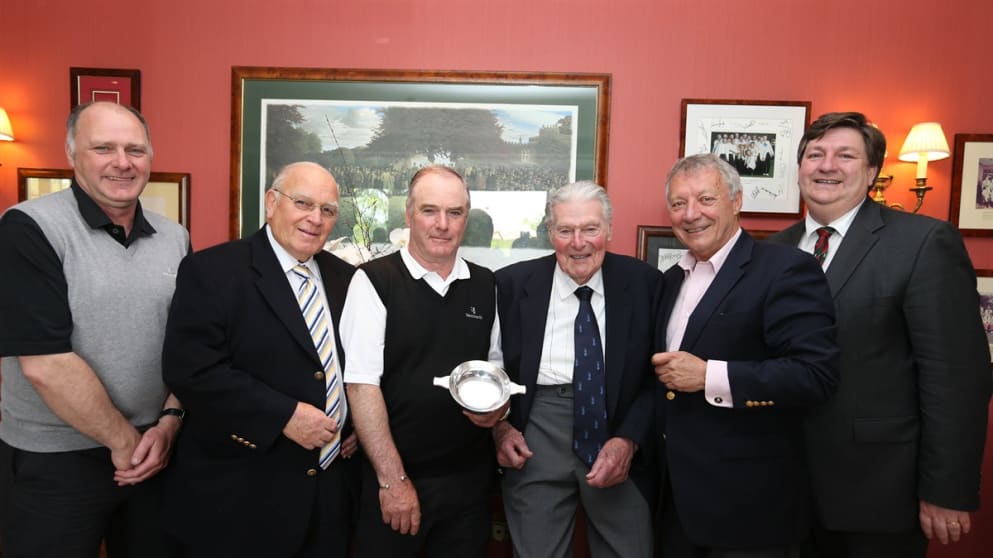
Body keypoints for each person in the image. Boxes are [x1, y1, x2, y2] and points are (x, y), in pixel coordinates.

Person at [769, 112, 992, 558]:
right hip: (782, 487)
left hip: (879, 490)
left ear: (872, 172)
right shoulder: (772, 250)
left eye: (845, 155)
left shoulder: (923, 242)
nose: (826, 165)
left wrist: (947, 487)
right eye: (815, 154)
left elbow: (956, 377)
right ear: (800, 168)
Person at [0, 101, 189, 558]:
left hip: (154, 453)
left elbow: (189, 343)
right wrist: (125, 443)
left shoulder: (174, 236)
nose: (122, 162)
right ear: (72, 154)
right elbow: (46, 364)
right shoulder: (28, 228)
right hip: (55, 463)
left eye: (135, 149)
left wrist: (169, 424)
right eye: (103, 148)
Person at [159, 162, 358, 557]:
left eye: (328, 210)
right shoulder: (213, 270)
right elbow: (191, 370)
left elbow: (354, 366)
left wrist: (355, 424)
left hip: (329, 496)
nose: (315, 219)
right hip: (243, 498)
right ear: (271, 203)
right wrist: (283, 415)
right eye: (302, 203)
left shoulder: (347, 279)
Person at [653, 153, 840, 557]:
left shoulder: (786, 269)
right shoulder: (669, 281)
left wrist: (709, 377)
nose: (691, 214)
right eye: (678, 203)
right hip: (675, 506)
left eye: (706, 199)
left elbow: (814, 375)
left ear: (736, 201)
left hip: (750, 510)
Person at [341, 165, 506, 558]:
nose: (443, 225)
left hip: (468, 487)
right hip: (397, 482)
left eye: (455, 212)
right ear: (409, 215)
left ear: (467, 217)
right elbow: (361, 385)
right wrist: (392, 481)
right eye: (430, 211)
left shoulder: (486, 284)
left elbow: (495, 372)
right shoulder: (374, 281)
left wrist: (498, 413)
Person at [491, 181, 663, 558]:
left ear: (609, 230)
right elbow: (492, 367)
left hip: (615, 428)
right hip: (535, 432)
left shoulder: (645, 284)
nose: (578, 242)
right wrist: (501, 428)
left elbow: (657, 378)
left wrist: (629, 440)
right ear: (549, 232)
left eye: (590, 229)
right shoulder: (510, 284)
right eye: (565, 230)